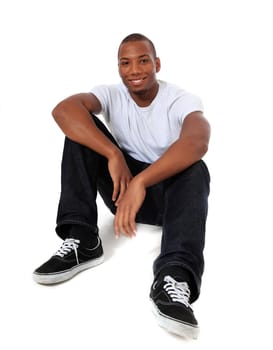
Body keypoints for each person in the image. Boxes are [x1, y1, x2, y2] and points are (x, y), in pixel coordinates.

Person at [33, 33, 210, 339]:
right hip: (121, 189)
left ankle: (173, 277)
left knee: (196, 169)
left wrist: (142, 180)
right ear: (118, 68)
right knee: (80, 132)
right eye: (125, 63)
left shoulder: (181, 100)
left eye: (143, 60)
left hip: (167, 200)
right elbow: (63, 110)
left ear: (156, 63)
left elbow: (198, 142)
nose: (135, 69)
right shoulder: (111, 94)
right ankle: (84, 240)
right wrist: (113, 153)